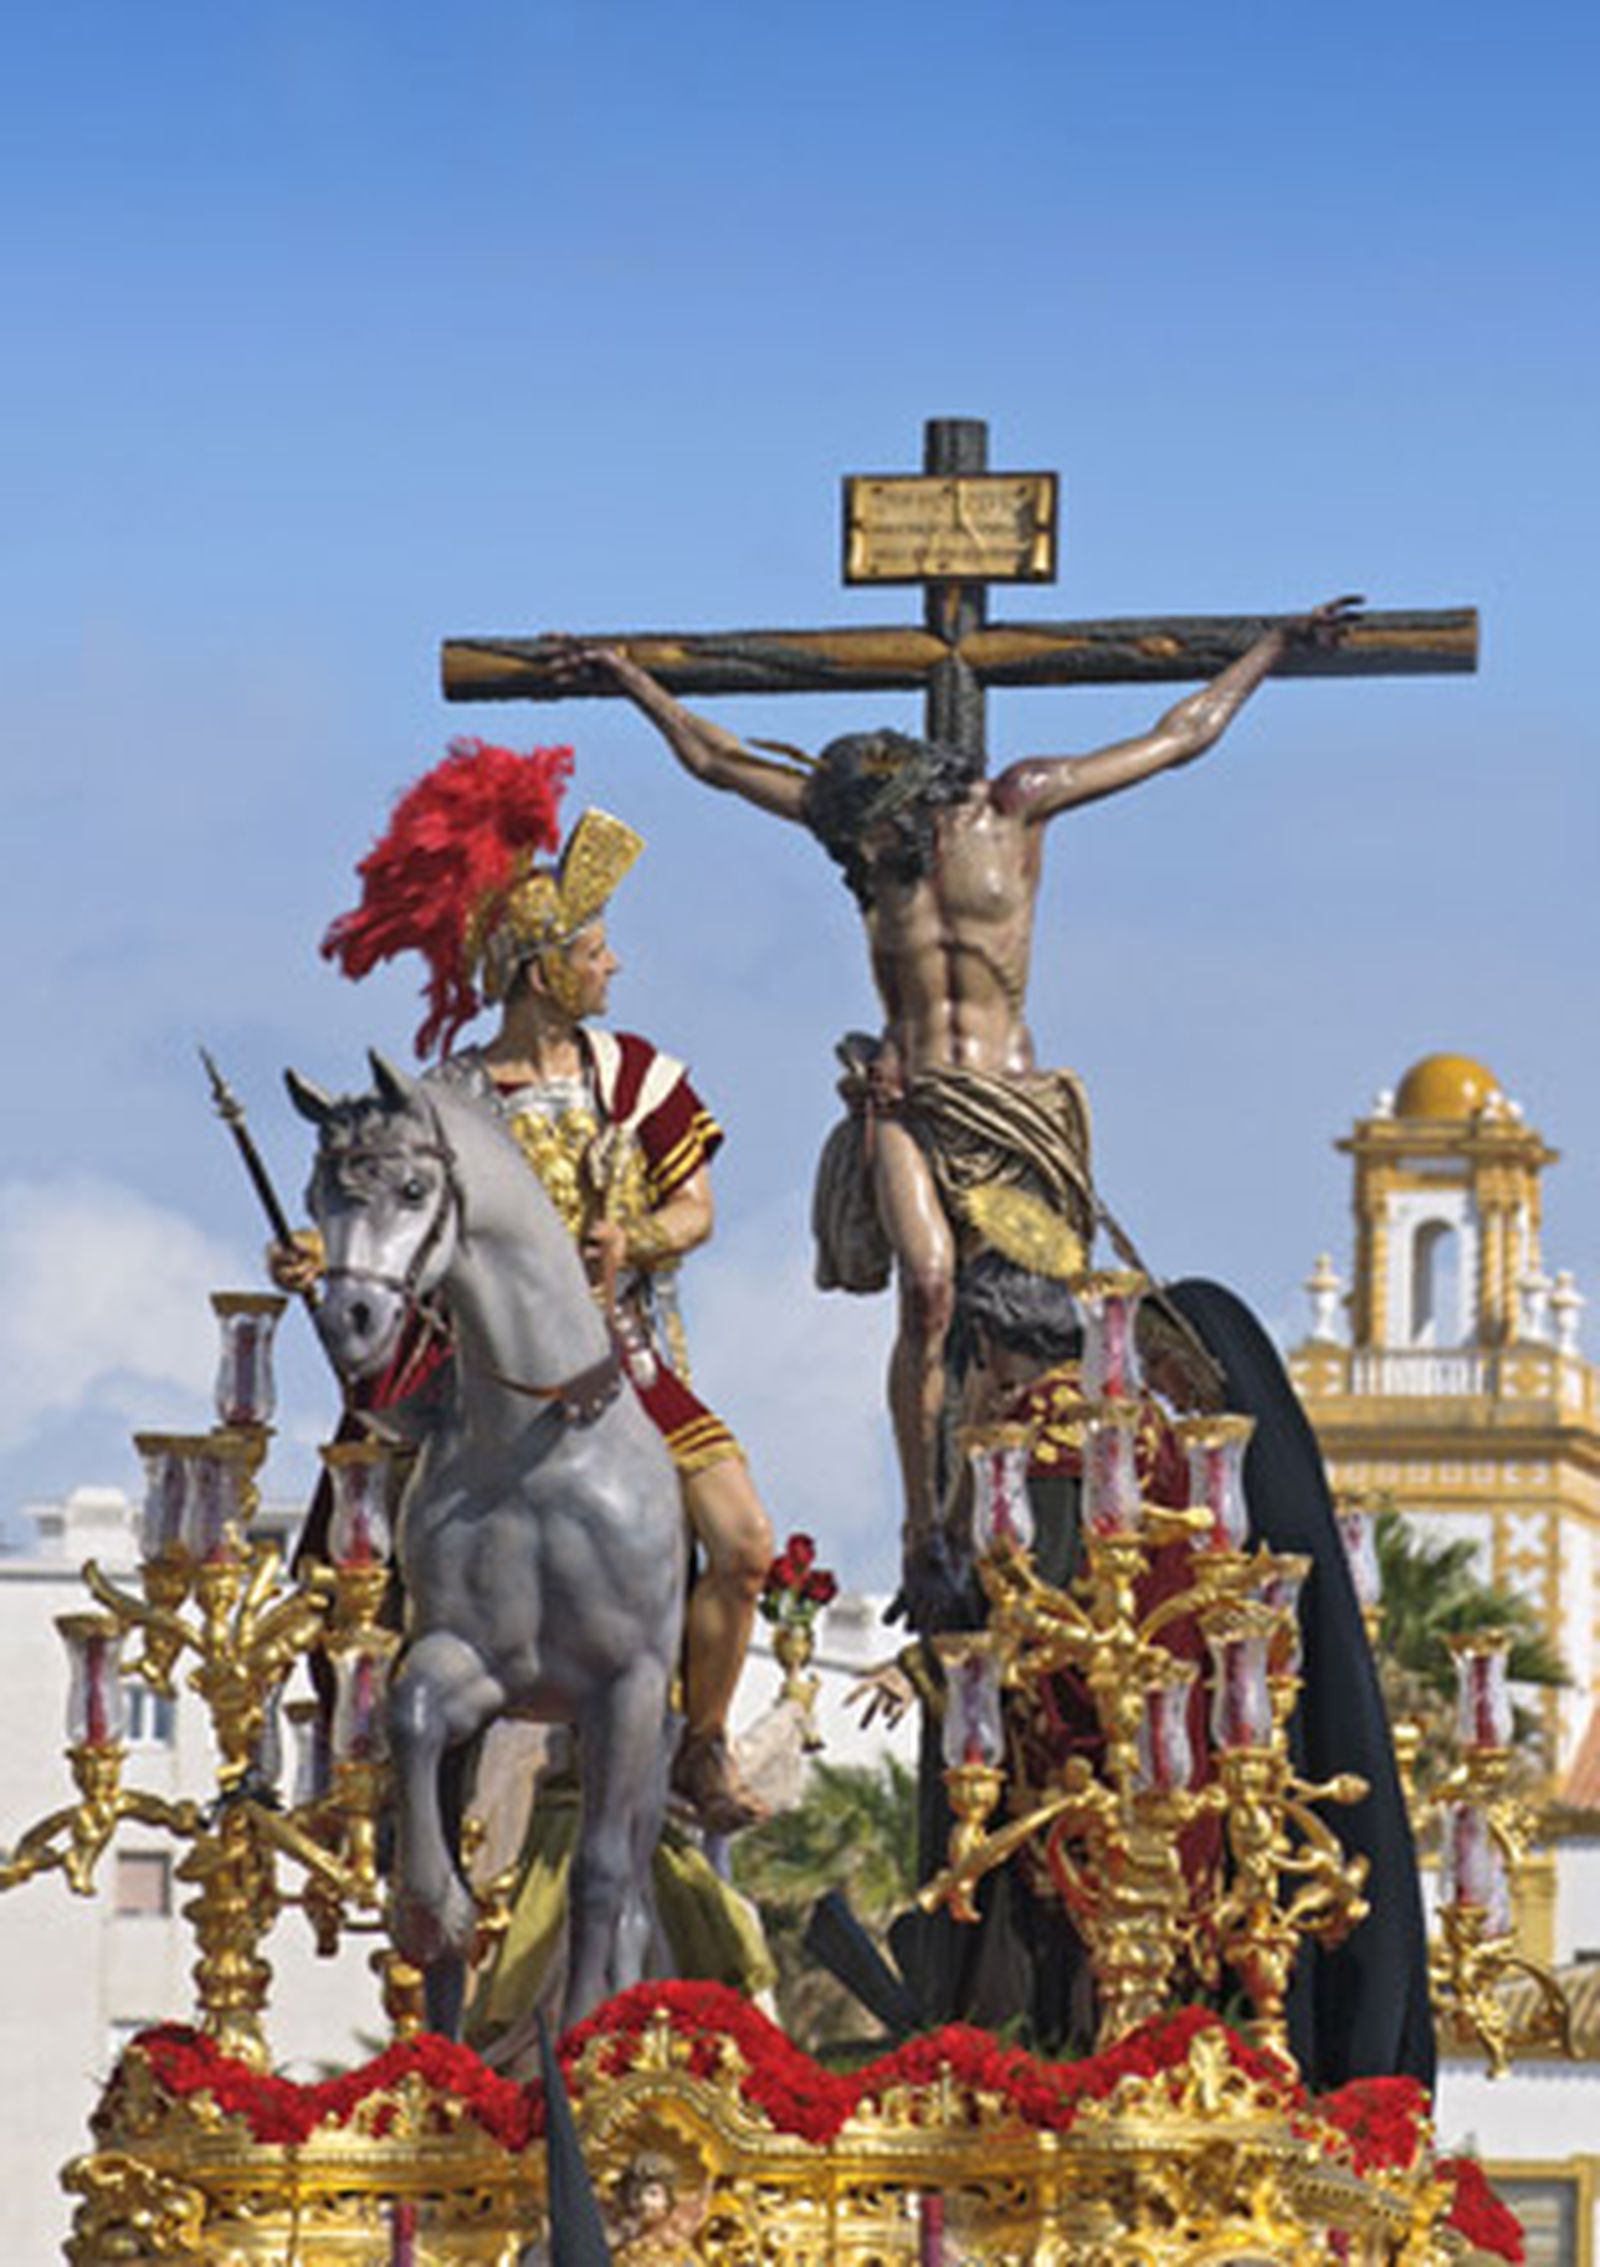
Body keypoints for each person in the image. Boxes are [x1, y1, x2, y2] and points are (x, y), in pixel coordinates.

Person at [549, 601, 1358, 1619]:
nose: (860, 861)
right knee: (928, 1291)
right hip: (909, 1097)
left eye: (875, 839)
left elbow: (1176, 736)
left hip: (1011, 1107)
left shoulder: (1016, 806)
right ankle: (923, 1521)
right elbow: (717, 760)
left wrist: (1273, 649)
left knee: (1048, 1326)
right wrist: (631, 676)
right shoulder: (860, 835)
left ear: (911, 800)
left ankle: (1056, 1520)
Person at [277, 739, 774, 1834]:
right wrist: (326, 1260)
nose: (613, 968)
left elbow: (699, 1208)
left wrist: (632, 1234)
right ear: (545, 968)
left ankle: (700, 1739)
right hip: (476, 1365)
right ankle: (357, 1755)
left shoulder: (635, 1073)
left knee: (743, 1544)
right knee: (353, 1548)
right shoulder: (448, 1094)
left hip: (626, 1355)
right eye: (596, 950)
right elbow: (391, 1215)